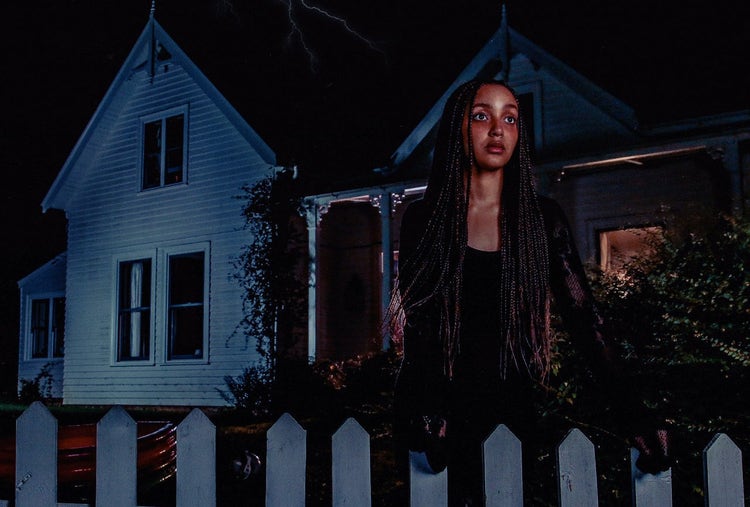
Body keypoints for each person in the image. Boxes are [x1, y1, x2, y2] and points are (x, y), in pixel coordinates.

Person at [389, 78, 671, 505]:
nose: (497, 129)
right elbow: (421, 329)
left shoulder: (542, 220)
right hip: (436, 414)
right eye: (481, 116)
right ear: (456, 127)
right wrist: (428, 408)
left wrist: (632, 411)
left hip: (511, 410)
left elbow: (586, 320)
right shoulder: (423, 220)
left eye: (511, 118)